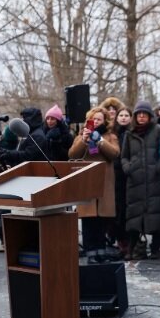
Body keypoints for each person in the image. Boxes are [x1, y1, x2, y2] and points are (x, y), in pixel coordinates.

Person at [68, 105, 120, 263]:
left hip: (104, 183)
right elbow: (72, 155)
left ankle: (101, 252)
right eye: (93, 119)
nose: (96, 122)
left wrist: (100, 141)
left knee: (101, 221)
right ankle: (91, 254)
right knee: (89, 220)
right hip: (87, 183)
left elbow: (114, 154)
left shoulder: (110, 136)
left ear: (105, 121)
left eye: (99, 119)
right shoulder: (80, 136)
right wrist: (84, 141)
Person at [121, 101, 160, 260]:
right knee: (134, 214)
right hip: (135, 179)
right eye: (138, 114)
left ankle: (155, 248)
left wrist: (158, 167)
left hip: (155, 179)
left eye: (144, 114)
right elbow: (124, 156)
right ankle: (132, 248)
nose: (141, 117)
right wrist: (127, 167)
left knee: (156, 213)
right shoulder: (129, 133)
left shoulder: (159, 130)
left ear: (149, 116)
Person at [111, 106, 132, 257]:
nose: (123, 118)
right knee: (117, 210)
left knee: (128, 209)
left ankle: (130, 241)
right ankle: (120, 241)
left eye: (126, 115)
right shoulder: (112, 134)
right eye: (121, 115)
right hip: (115, 176)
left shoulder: (133, 133)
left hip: (130, 175)